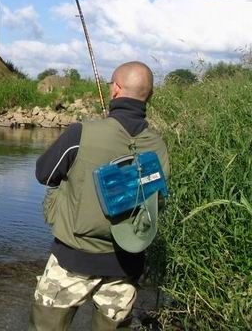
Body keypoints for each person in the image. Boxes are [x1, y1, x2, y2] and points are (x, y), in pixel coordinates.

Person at [30, 61, 170, 331]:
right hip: (127, 264)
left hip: (72, 259)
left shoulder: (80, 133)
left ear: (115, 89)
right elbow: (156, 200)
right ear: (149, 96)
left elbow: (44, 174)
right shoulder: (159, 146)